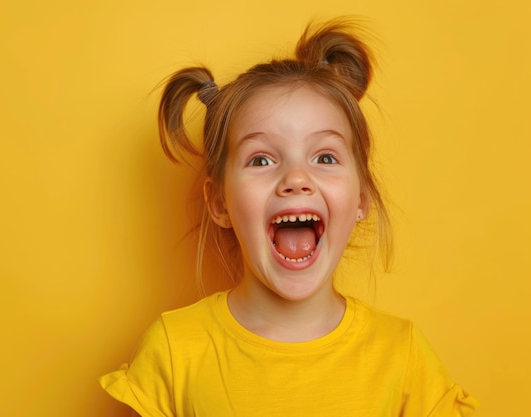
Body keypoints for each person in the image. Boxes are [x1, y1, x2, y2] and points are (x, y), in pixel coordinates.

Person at [100, 18, 479, 416]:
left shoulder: (402, 356)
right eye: (261, 159)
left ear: (362, 197)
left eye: (325, 157)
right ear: (220, 203)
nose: (296, 179)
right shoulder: (173, 353)